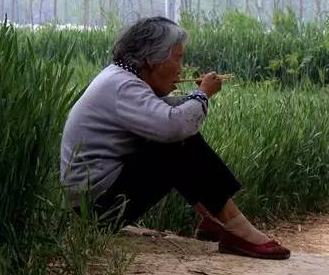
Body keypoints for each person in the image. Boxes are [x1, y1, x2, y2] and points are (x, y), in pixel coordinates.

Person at [60, 16, 290, 260]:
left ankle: (213, 219)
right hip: (97, 210)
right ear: (151, 58)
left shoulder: (120, 78)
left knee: (175, 139)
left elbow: (163, 113)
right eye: (177, 58)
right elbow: (173, 125)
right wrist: (202, 95)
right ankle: (236, 228)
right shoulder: (122, 86)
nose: (181, 68)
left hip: (94, 204)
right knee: (177, 143)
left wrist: (196, 96)